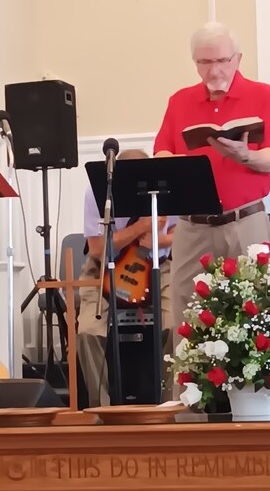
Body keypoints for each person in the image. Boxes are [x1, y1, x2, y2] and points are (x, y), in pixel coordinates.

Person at [154, 21, 270, 336]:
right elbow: (161, 151)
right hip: (192, 225)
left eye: (222, 61)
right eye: (205, 62)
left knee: (254, 313)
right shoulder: (180, 101)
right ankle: (190, 371)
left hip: (245, 220)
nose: (214, 70)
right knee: (187, 316)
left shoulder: (262, 95)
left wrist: (245, 155)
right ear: (195, 63)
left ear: (238, 59)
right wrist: (175, 164)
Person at [76, 149, 176, 406]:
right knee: (88, 331)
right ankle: (101, 407)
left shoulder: (166, 188)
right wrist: (141, 227)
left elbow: (180, 234)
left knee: (176, 327)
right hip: (103, 266)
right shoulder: (98, 192)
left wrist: (159, 239)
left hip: (158, 263)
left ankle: (170, 404)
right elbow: (98, 248)